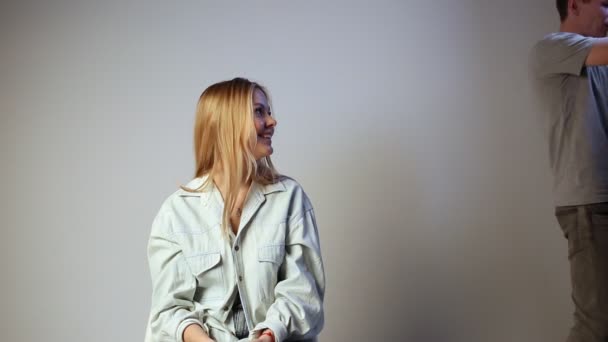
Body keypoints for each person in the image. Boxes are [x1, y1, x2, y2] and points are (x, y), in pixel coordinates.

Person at [145, 78, 325, 342]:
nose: (272, 122)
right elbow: (170, 309)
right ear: (229, 123)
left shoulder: (290, 199)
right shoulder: (176, 212)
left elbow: (303, 292)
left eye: (269, 111)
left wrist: (268, 336)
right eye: (259, 111)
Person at [529, 1, 608, 341]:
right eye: (604, 5)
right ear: (574, 4)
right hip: (587, 205)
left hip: (600, 199)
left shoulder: (601, 65)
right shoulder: (550, 48)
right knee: (596, 326)